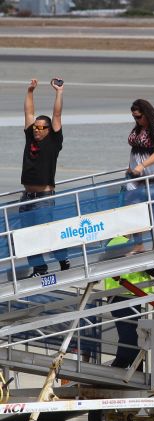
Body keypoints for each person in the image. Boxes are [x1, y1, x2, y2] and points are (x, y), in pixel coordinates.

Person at [20, 78, 70, 278]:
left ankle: (62, 258)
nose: (37, 130)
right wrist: (30, 91)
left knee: (45, 232)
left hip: (43, 197)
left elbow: (56, 114)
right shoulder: (30, 137)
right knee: (27, 234)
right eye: (36, 127)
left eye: (41, 127)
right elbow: (28, 113)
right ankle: (39, 269)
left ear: (49, 130)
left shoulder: (54, 141)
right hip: (27, 196)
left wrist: (59, 92)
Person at [103, 235, 154, 369]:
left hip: (125, 293)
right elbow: (144, 264)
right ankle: (126, 366)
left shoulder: (115, 242)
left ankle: (130, 366)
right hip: (125, 293)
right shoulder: (123, 243)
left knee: (130, 334)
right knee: (129, 335)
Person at [125, 99, 154, 255]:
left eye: (138, 117)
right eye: (134, 117)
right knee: (133, 208)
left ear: (146, 113)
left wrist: (142, 165)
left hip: (153, 174)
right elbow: (136, 150)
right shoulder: (139, 128)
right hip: (135, 175)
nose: (136, 120)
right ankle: (138, 245)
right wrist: (131, 167)